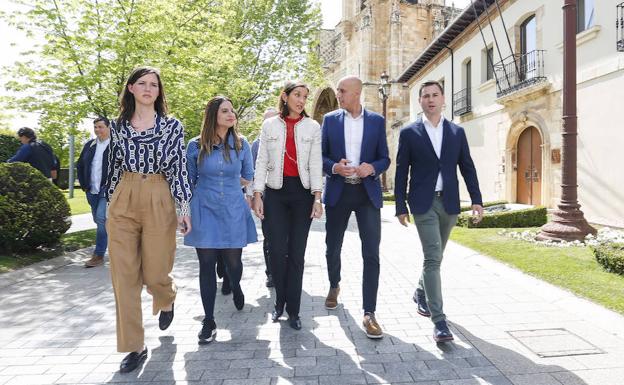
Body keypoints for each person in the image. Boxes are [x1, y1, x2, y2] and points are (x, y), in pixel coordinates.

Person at [105, 66, 192, 373]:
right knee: (124, 277)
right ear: (130, 89)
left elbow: (178, 168)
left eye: (153, 84)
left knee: (155, 273)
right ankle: (133, 346)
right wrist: (110, 204)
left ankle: (166, 298)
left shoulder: (172, 126)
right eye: (141, 83)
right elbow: (114, 166)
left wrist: (183, 208)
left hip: (159, 193)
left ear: (159, 91)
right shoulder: (117, 126)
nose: (147, 88)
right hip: (124, 196)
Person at [394, 80, 483, 343]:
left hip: (450, 204)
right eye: (425, 96)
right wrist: (400, 206)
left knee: (437, 256)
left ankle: (421, 291)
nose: (430, 99)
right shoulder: (410, 133)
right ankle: (439, 321)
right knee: (432, 257)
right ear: (419, 101)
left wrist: (477, 200)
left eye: (435, 95)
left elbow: (467, 167)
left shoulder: (456, 132)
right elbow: (401, 171)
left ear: (443, 99)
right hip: (423, 203)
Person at [321, 75, 390, 339]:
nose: (338, 94)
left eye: (342, 90)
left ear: (357, 93)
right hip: (339, 192)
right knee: (332, 247)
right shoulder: (329, 120)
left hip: (366, 193)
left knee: (371, 253)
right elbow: (321, 156)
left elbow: (385, 157)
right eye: (338, 90)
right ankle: (334, 284)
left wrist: (372, 167)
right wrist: (335, 167)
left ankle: (369, 313)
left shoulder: (376, 121)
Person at [184, 96, 257, 344]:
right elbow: (188, 181)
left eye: (232, 111)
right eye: (225, 111)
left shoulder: (241, 143)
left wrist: (227, 188)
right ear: (213, 115)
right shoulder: (195, 146)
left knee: (233, 263)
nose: (231, 114)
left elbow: (248, 175)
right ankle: (208, 320)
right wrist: (184, 212)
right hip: (203, 208)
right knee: (206, 265)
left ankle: (235, 284)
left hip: (233, 209)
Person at [252, 81, 323, 331]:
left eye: (305, 96)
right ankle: (278, 303)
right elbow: (261, 161)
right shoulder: (269, 125)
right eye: (297, 95)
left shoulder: (313, 127)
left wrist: (317, 197)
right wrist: (257, 194)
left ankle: (294, 310)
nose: (302, 100)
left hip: (302, 194)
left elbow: (316, 163)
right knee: (276, 252)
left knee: (296, 255)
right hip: (275, 194)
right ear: (285, 96)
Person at [76, 117, 111, 268]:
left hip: (107, 188)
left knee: (101, 218)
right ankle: (119, 243)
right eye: (95, 127)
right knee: (99, 221)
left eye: (100, 127)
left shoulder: (115, 145)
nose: (97, 130)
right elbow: (80, 165)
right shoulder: (89, 145)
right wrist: (84, 185)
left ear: (109, 128)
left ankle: (98, 255)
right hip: (91, 189)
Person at [251, 107, 279, 288]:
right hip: (266, 195)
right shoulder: (256, 144)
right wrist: (256, 197)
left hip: (285, 194)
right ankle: (271, 273)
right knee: (269, 236)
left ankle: (283, 271)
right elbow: (253, 172)